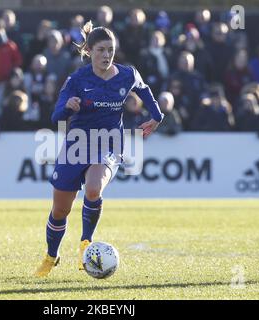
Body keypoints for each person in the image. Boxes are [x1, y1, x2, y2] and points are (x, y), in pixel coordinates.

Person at [34, 21, 164, 277]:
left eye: (111, 50)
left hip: (108, 143)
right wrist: (68, 107)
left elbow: (145, 91)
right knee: (60, 209)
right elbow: (55, 116)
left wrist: (157, 116)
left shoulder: (127, 74)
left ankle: (86, 244)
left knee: (93, 189)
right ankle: (51, 256)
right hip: (77, 144)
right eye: (101, 50)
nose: (107, 55)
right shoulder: (77, 79)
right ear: (89, 51)